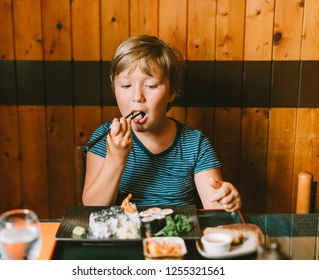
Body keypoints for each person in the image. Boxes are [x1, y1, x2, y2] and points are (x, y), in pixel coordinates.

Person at [82, 35, 241, 211]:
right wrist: (116, 158)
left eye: (150, 86)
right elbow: (91, 208)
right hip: (123, 236)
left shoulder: (195, 144)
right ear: (115, 90)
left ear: (172, 92)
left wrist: (227, 200)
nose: (137, 97)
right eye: (126, 86)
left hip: (176, 236)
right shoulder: (104, 138)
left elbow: (215, 209)